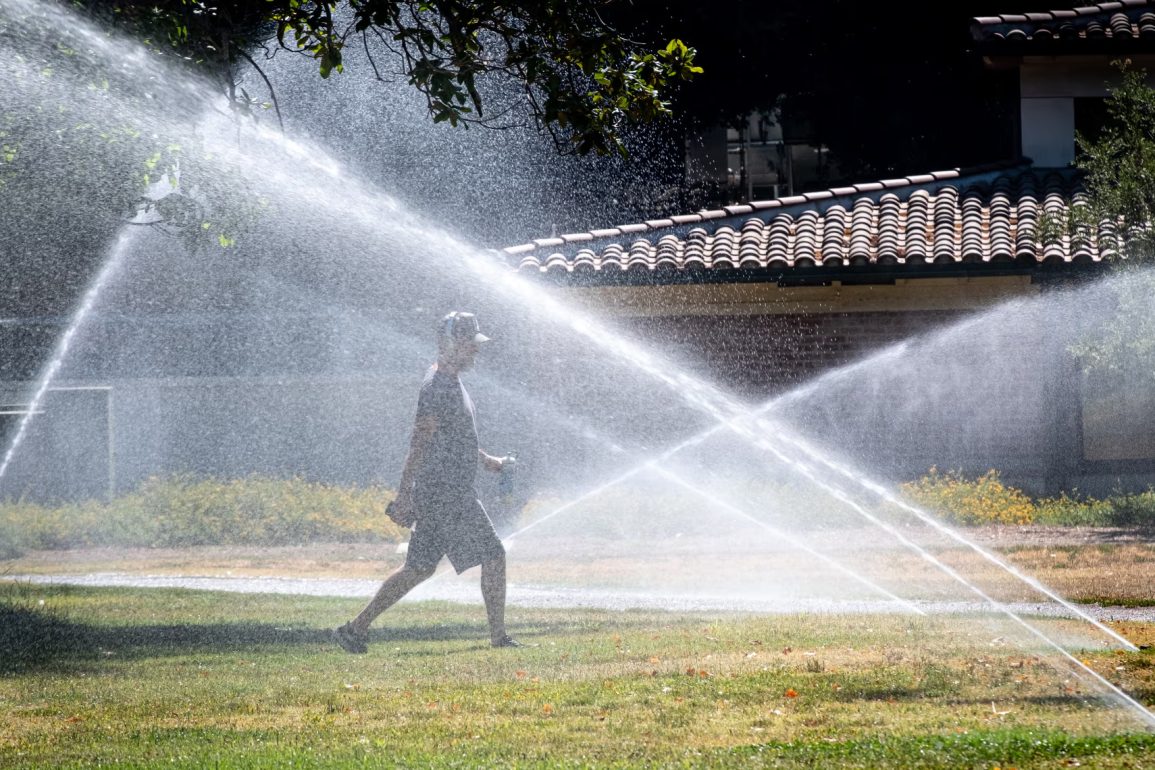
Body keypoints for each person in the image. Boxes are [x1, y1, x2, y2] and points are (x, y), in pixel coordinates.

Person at [333, 311, 520, 653]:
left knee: (418, 568)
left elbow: (457, 435)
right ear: (451, 344)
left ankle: (354, 629)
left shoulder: (450, 381)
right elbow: (419, 443)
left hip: (441, 492)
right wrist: (404, 495)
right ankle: (499, 638)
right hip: (446, 492)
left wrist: (486, 459)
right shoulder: (437, 387)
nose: (475, 351)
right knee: (494, 555)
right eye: (470, 345)